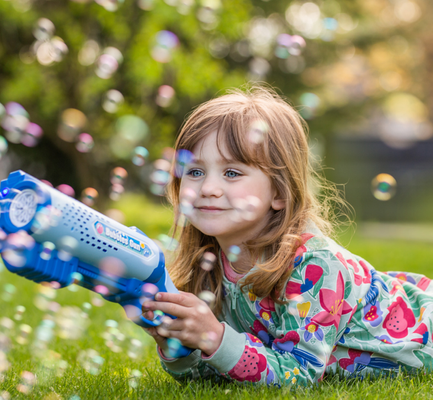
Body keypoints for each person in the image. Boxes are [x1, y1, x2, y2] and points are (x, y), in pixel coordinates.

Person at [141, 86, 433, 386]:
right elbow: (213, 373)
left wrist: (214, 336)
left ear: (279, 192)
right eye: (194, 171)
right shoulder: (208, 263)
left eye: (231, 173)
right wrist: (176, 344)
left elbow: (298, 375)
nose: (207, 188)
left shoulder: (315, 267)